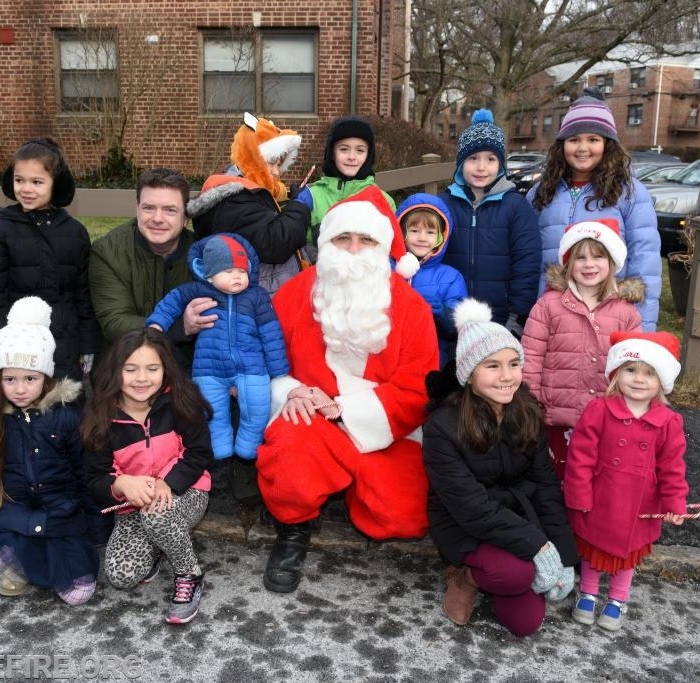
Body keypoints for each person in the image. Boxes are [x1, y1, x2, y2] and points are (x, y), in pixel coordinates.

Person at [257, 185, 438, 593]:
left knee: (405, 517)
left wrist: (345, 410)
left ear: (382, 247)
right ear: (327, 242)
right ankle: (295, 526)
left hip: (383, 424)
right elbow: (264, 357)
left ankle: (347, 488)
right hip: (310, 421)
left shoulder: (412, 308)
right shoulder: (295, 293)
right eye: (343, 238)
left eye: (366, 240)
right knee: (289, 464)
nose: (354, 249)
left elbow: (417, 388)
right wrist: (288, 390)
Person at [421, 298, 577, 636]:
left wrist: (562, 553)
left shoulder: (526, 410)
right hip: (463, 523)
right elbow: (471, 507)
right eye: (492, 366)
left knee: (525, 624)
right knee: (515, 573)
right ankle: (465, 576)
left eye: (513, 363)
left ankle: (504, 573)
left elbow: (545, 485)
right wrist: (538, 547)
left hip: (518, 517)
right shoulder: (442, 427)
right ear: (468, 373)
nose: (507, 377)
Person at [0, 296, 98, 605]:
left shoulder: (68, 416)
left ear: (46, 377)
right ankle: (21, 561)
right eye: (10, 379)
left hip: (62, 516)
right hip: (13, 513)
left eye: (30, 378)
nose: (20, 389)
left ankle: (36, 562)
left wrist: (96, 524)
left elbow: (87, 472)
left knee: (78, 594)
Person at [81, 328, 214, 624]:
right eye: (131, 369)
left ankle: (189, 575)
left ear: (165, 369)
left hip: (186, 492)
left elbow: (200, 453)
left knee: (157, 515)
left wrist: (169, 482)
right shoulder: (101, 417)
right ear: (116, 371)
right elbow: (94, 479)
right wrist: (120, 484)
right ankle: (160, 544)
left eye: (152, 369)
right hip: (132, 508)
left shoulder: (181, 400)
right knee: (120, 575)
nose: (141, 378)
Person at [145, 233, 288, 505]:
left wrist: (278, 368)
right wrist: (156, 325)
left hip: (252, 368)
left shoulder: (256, 297)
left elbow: (271, 333)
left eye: (241, 271)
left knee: (257, 407)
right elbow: (170, 303)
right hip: (208, 368)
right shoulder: (196, 290)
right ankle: (220, 449)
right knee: (211, 411)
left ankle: (248, 448)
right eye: (228, 271)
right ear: (208, 275)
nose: (237, 277)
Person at [563, 331, 688, 632]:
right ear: (616, 374)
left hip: (640, 502)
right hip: (601, 495)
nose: (639, 379)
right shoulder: (599, 410)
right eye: (631, 370)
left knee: (628, 554)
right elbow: (581, 456)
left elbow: (673, 466)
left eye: (649, 373)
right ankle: (589, 593)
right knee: (592, 549)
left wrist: (674, 502)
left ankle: (618, 599)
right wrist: (579, 494)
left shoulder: (668, 422)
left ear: (662, 382)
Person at [526, 88, 661, 331]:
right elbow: (526, 253)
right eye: (574, 139)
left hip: (608, 313)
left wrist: (643, 329)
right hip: (552, 313)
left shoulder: (629, 192)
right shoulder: (541, 191)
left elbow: (646, 260)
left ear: (608, 145)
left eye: (593, 139)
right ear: (561, 144)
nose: (582, 148)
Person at [521, 218, 643, 479]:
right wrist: (530, 404)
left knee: (596, 481)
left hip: (604, 417)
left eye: (598, 256)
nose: (589, 264)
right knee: (554, 479)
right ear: (568, 263)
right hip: (556, 415)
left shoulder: (626, 312)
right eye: (580, 258)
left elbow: (633, 366)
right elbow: (531, 357)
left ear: (612, 261)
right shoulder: (549, 305)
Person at [0, 137, 100, 381]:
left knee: (64, 409)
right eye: (19, 180)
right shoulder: (0, 231)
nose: (26, 189)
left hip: (65, 341)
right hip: (18, 342)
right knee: (23, 410)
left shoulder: (75, 233)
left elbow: (84, 295)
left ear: (56, 184)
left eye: (37, 182)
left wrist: (87, 344)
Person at [89, 168, 217, 366]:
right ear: (137, 209)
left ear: (185, 218)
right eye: (149, 208)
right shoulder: (108, 252)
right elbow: (115, 323)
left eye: (169, 210)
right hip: (124, 365)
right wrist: (179, 326)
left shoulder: (204, 256)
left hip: (188, 369)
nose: (158, 218)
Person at [439, 109, 541, 338]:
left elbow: (527, 263)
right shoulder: (445, 204)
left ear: (501, 165)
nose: (481, 167)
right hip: (453, 318)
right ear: (460, 163)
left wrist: (517, 317)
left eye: (490, 159)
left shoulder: (516, 207)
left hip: (501, 320)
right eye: (473, 158)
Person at [188, 113, 311, 294]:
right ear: (253, 158)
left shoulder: (246, 194)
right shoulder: (234, 200)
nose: (277, 173)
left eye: (279, 165)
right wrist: (299, 207)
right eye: (271, 163)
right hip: (256, 303)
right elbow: (274, 243)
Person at [296, 115, 395, 259]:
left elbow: (392, 252)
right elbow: (301, 251)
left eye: (360, 150)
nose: (352, 157)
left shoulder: (383, 200)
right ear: (332, 153)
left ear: (369, 155)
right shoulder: (312, 197)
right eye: (344, 149)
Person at [396, 192, 468, 366]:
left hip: (434, 362)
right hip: (392, 359)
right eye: (414, 231)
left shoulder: (451, 277)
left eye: (430, 232)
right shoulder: (388, 269)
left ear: (441, 236)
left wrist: (443, 313)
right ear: (401, 232)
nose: (422, 238)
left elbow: (458, 328)